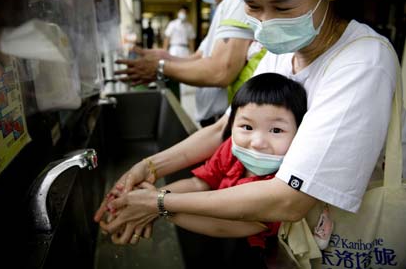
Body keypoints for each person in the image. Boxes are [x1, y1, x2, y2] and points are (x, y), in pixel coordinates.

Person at [95, 0, 399, 266]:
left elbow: (289, 200)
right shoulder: (281, 53)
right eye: (253, 6)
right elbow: (223, 129)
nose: (266, 23)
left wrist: (159, 203)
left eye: (283, 7)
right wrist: (148, 167)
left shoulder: (362, 62)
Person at [104, 73, 307, 266]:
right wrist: (150, 197)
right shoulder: (232, 150)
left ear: (300, 133)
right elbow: (199, 183)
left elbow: (223, 225)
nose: (257, 142)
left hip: (259, 255)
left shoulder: (283, 181)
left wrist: (158, 207)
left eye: (276, 130)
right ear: (232, 123)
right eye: (246, 127)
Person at [115, 0, 256, 127]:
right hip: (212, 116)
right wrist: (162, 56)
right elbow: (198, 57)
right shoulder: (223, 5)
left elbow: (220, 71)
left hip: (226, 118)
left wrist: (161, 67)